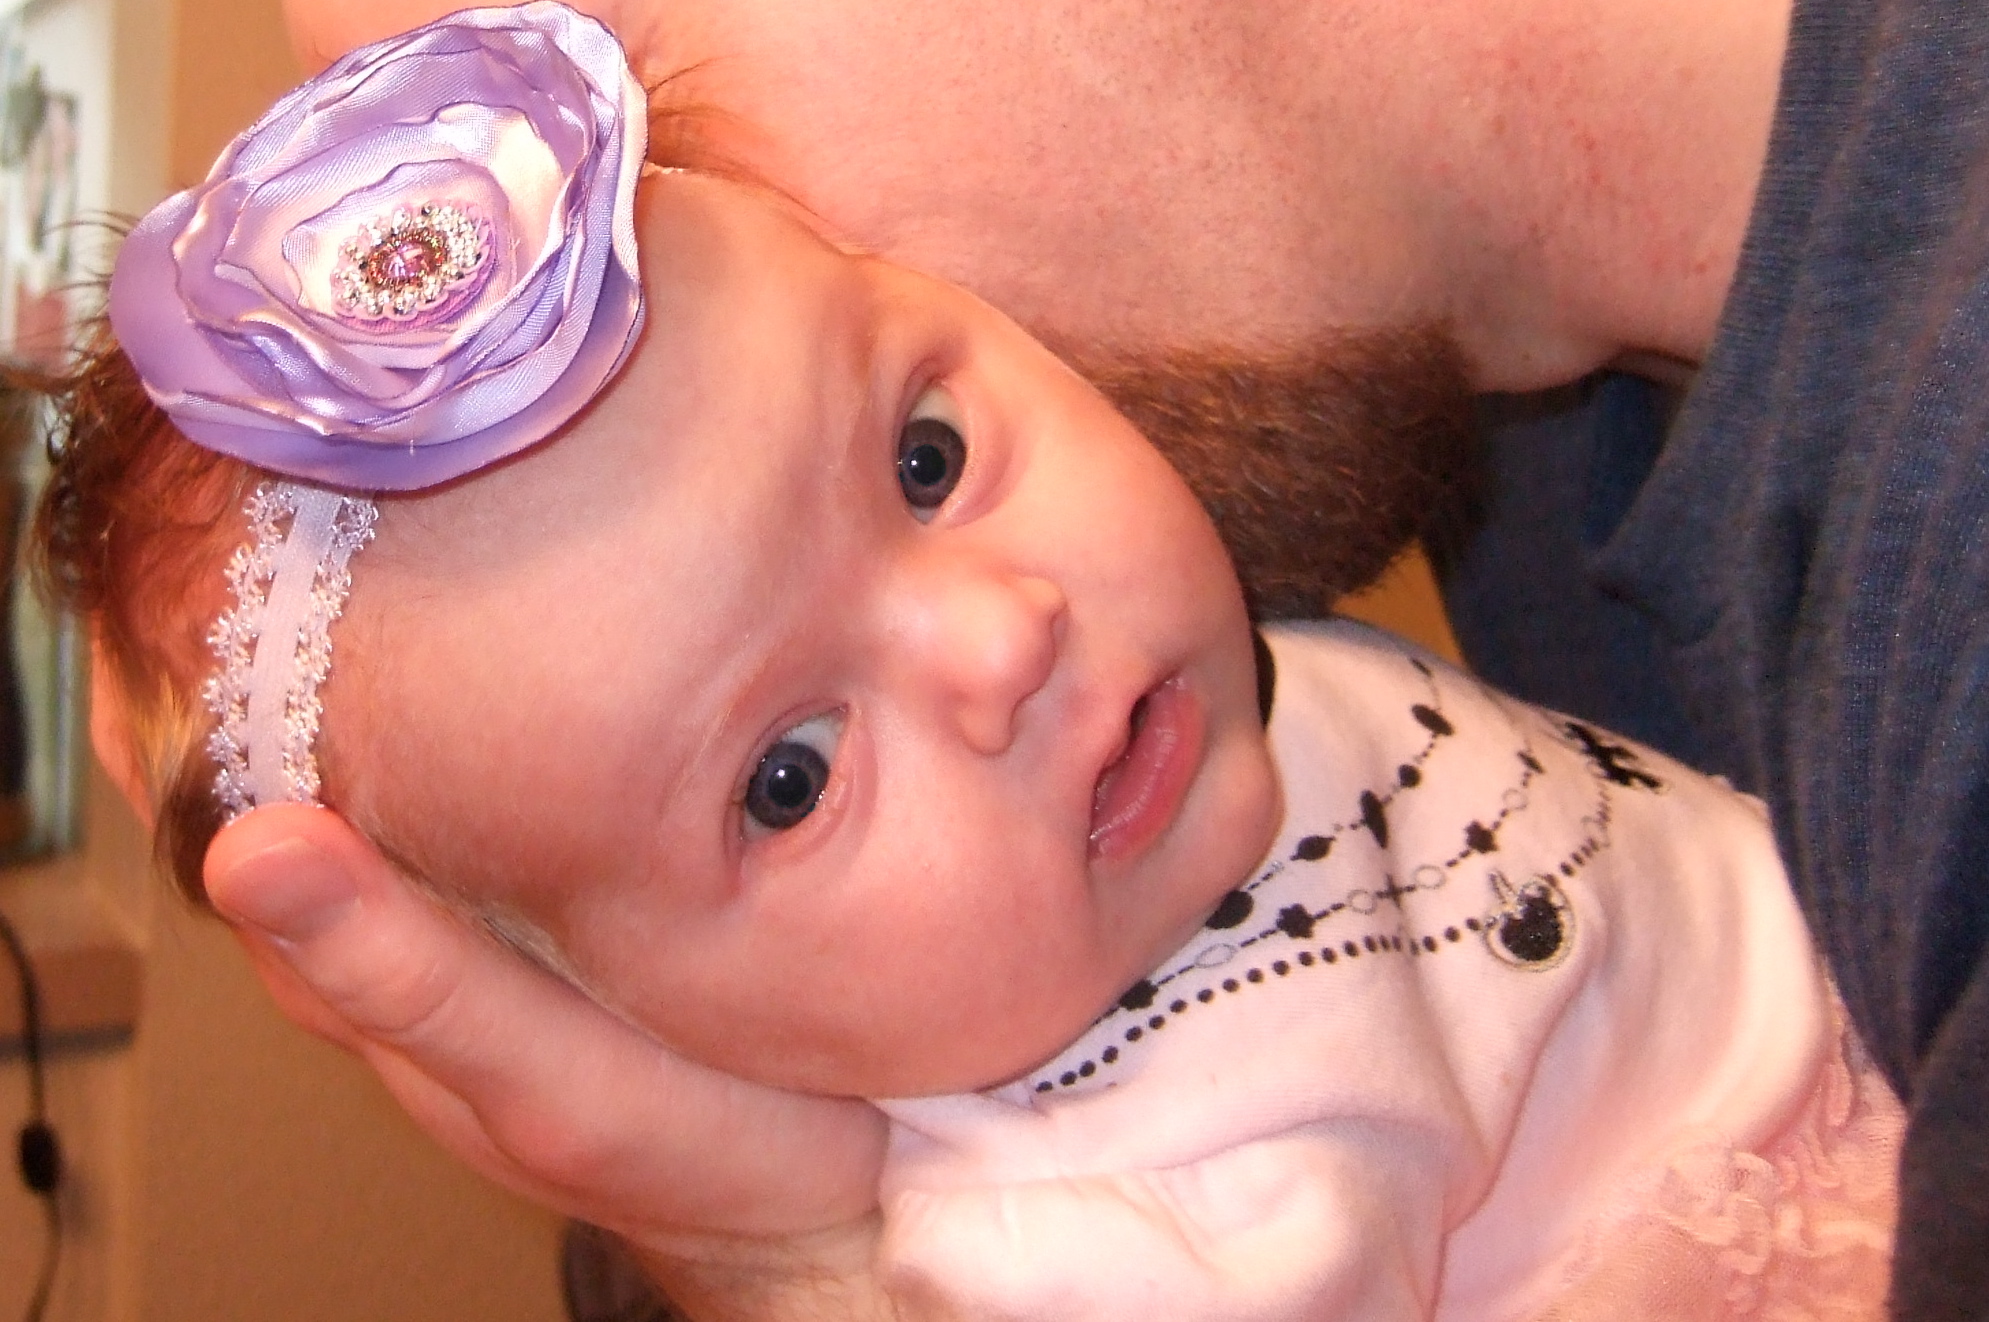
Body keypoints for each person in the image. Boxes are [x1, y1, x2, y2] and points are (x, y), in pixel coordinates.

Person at [54, 9, 1899, 1317]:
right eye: (789, 776)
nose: (1003, 634)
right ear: (619, 1027)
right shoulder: (1120, 1226)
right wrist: (785, 1248)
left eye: (924, 459)